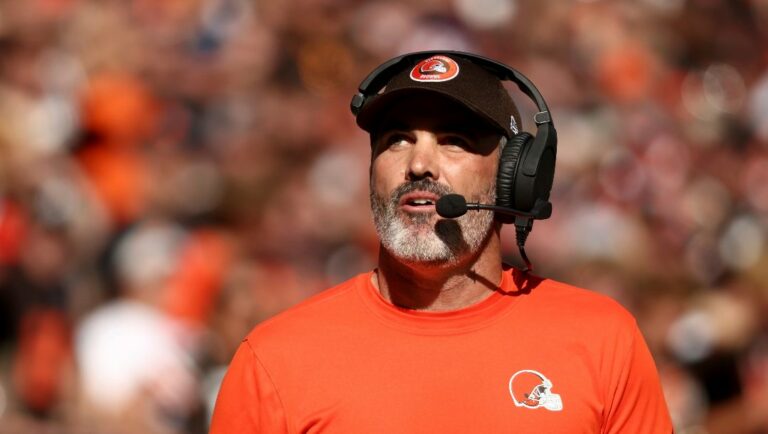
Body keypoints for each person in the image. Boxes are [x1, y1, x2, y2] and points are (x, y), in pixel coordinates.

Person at [209, 51, 673, 433]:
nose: (419, 165)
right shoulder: (274, 359)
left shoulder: (604, 339)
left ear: (516, 178)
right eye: (397, 141)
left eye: (453, 140)